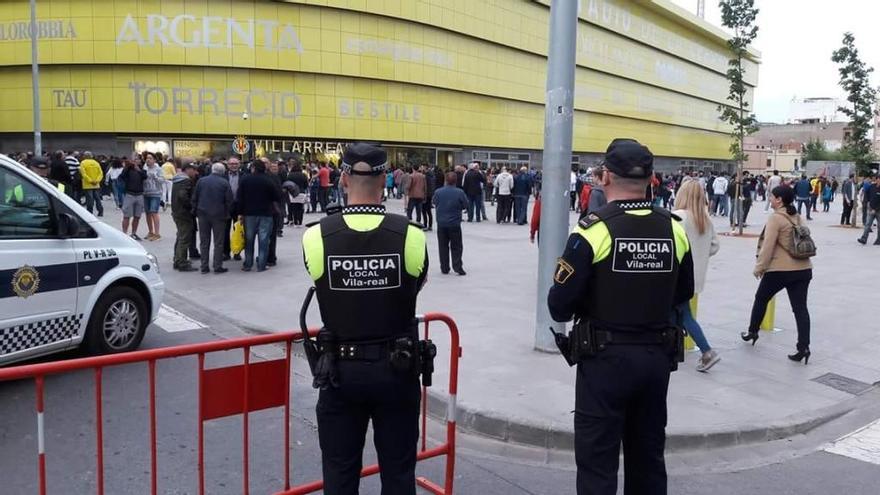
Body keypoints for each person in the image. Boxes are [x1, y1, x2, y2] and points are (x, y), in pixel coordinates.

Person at [547, 138, 694, 495]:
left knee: (598, 465)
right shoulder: (673, 228)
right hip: (656, 358)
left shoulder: (593, 231)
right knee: (648, 461)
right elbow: (684, 293)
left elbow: (559, 306)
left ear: (606, 177)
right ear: (651, 179)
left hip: (605, 362)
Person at [301, 143, 429, 494]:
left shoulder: (316, 236)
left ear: (343, 178)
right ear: (385, 177)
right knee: (399, 473)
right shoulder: (411, 235)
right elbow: (416, 285)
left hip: (340, 373)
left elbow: (319, 281)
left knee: (340, 475)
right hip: (396, 370)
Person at [742, 185, 813, 364]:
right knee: (800, 309)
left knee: (761, 298)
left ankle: (752, 331)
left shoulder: (775, 218)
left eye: (772, 197)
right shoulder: (797, 217)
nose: (770, 199)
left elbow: (768, 246)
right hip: (804, 269)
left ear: (779, 199)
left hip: (780, 270)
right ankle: (803, 347)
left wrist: (759, 268)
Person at [672, 180, 721, 372]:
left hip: (676, 276)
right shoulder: (704, 218)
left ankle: (707, 351)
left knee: (683, 314)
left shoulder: (677, 217)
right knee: (679, 313)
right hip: (695, 278)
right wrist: (700, 257)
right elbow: (715, 246)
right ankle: (673, 348)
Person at [237, 160, 282, 272]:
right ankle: (262, 265)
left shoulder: (245, 179)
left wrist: (240, 212)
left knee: (249, 239)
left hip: (249, 214)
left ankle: (248, 264)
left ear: (253, 168)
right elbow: (276, 196)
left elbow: (239, 197)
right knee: (264, 240)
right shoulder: (268, 180)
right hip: (266, 213)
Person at [192, 163, 233, 274]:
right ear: (223, 172)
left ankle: (204, 266)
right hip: (219, 215)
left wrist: (195, 211)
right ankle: (217, 265)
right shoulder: (224, 183)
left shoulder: (201, 181)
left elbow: (195, 197)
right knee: (218, 242)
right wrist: (227, 213)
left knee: (204, 241)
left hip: (203, 214)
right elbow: (229, 200)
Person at [433, 171, 468, 275]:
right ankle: (457, 266)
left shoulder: (438, 192)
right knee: (456, 246)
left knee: (443, 246)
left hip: (441, 223)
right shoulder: (460, 192)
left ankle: (444, 267)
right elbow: (466, 205)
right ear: (456, 181)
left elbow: (434, 202)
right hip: (454, 223)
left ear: (446, 180)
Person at [171, 164, 199, 272]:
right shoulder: (185, 181)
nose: (195, 172)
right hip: (183, 213)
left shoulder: (177, 180)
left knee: (180, 236)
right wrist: (190, 206)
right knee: (184, 238)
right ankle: (182, 262)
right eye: (193, 170)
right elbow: (183, 196)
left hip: (176, 211)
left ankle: (177, 259)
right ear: (187, 170)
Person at [119, 157, 147, 240]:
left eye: (137, 159)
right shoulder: (127, 170)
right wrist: (127, 167)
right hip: (129, 194)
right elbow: (121, 177)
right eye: (134, 159)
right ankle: (124, 233)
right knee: (126, 215)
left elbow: (145, 177)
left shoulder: (142, 170)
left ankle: (134, 233)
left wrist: (138, 170)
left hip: (139, 195)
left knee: (137, 216)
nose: (135, 161)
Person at [143, 153, 165, 241]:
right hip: (146, 193)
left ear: (154, 160)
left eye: (150, 158)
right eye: (147, 158)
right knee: (147, 213)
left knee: (154, 212)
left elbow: (162, 180)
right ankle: (150, 231)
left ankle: (157, 233)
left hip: (155, 193)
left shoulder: (158, 169)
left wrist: (155, 177)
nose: (148, 160)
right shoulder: (145, 169)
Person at [857, 174, 880, 245]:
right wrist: (868, 203)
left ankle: (878, 240)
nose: (878, 180)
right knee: (867, 224)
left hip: (878, 211)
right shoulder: (872, 186)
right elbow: (866, 194)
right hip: (871, 209)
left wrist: (875, 209)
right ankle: (864, 238)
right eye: (878, 179)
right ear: (876, 179)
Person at [79, 151, 104, 217]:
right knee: (97, 198)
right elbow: (101, 173)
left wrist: (90, 181)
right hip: (96, 184)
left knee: (89, 199)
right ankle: (100, 211)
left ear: (84, 156)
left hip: (87, 185)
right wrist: (97, 181)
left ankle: (90, 212)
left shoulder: (83, 163)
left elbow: (83, 174)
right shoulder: (96, 163)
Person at [286, 161, 309, 227]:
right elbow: (306, 184)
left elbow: (287, 183)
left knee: (294, 207)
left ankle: (295, 221)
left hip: (293, 192)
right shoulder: (303, 175)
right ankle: (300, 221)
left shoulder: (290, 175)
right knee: (300, 207)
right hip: (301, 192)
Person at [422, 165, 436, 231]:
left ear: (425, 168)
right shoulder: (432, 176)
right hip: (430, 195)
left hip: (426, 195)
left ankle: (425, 225)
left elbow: (424, 187)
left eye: (422, 167)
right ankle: (430, 226)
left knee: (424, 211)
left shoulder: (425, 177)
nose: (421, 168)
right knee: (429, 211)